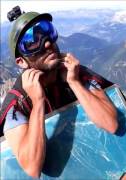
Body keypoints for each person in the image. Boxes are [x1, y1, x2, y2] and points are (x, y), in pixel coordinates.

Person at [0, 7, 118, 178]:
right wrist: (38, 101)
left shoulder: (75, 73)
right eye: (32, 42)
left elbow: (110, 124)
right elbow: (32, 168)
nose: (47, 44)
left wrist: (74, 82)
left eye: (48, 33)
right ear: (21, 61)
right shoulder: (16, 103)